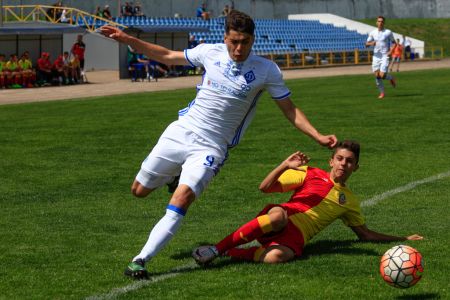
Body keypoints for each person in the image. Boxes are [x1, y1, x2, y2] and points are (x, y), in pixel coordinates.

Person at [99, 9, 337, 280]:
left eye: (245, 42)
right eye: (234, 41)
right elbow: (166, 55)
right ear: (225, 38)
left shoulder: (266, 70)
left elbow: (289, 109)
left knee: (183, 198)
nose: (238, 48)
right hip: (181, 131)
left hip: (211, 148)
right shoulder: (208, 52)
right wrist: (128, 39)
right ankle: (175, 175)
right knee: (139, 191)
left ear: (252, 40)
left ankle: (140, 260)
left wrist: (316, 135)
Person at [192, 141, 424, 265]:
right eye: (340, 159)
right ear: (331, 161)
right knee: (277, 216)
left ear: (356, 167)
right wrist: (284, 165)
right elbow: (265, 188)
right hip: (284, 216)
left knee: (276, 258)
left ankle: (231, 253)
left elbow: (365, 235)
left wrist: (403, 238)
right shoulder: (310, 173)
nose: (343, 164)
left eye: (350, 161)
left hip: (297, 237)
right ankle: (216, 249)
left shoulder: (350, 201)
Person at [365, 16, 397, 99]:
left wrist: (391, 51)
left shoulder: (388, 32)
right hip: (376, 56)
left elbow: (394, 43)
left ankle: (391, 78)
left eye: (382, 21)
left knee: (382, 75)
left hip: (384, 56)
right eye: (379, 21)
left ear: (384, 23)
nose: (380, 23)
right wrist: (371, 43)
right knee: (377, 76)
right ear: (376, 22)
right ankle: (382, 93)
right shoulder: (372, 33)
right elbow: (366, 44)